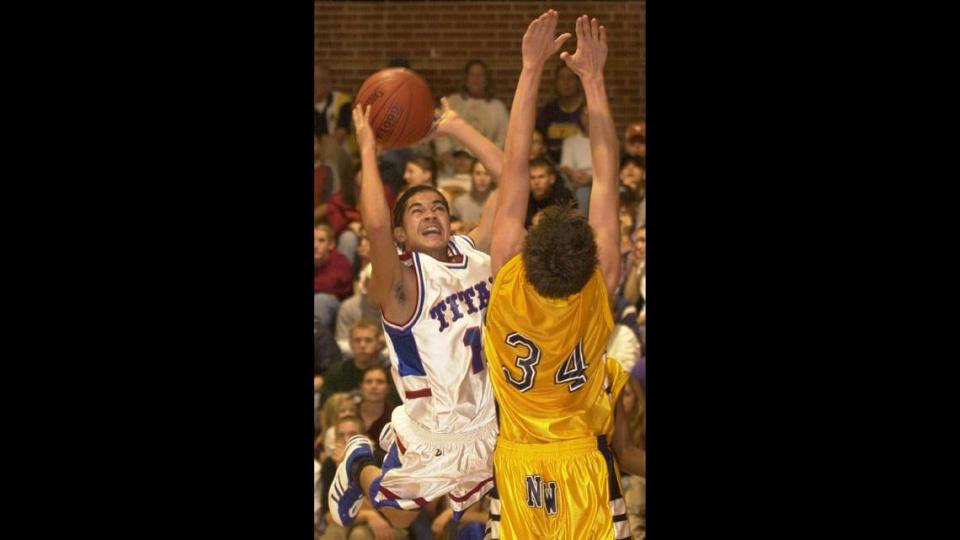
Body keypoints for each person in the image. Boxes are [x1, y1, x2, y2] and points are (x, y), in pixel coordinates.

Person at [481, 12, 643, 539]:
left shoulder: (506, 274)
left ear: (527, 246)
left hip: (519, 464)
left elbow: (514, 168)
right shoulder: (601, 281)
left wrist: (530, 70)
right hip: (583, 466)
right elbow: (605, 175)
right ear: (591, 253)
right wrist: (593, 80)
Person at [328, 93, 508, 530]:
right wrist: (368, 151)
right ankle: (358, 465)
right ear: (400, 234)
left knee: (489, 518)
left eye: (438, 207)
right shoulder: (404, 283)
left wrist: (456, 128)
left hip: (488, 417)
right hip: (433, 429)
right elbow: (373, 226)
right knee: (395, 520)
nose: (430, 214)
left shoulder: (476, 251)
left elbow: (512, 179)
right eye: (417, 210)